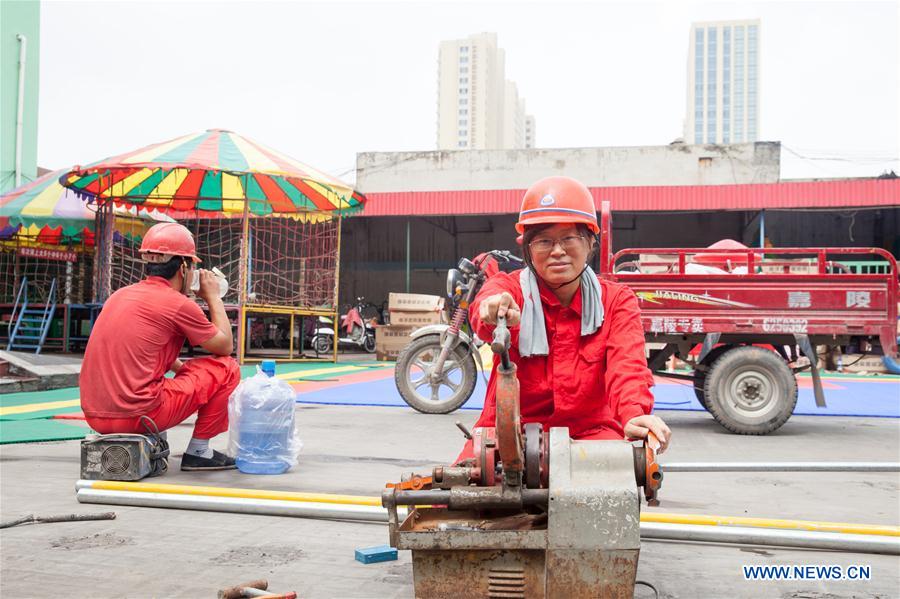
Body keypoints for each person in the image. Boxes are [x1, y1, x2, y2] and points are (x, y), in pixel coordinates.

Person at [457, 176, 671, 462]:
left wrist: (634, 414)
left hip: (590, 431)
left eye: (569, 238)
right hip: (509, 431)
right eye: (544, 241)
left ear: (590, 243)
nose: (557, 251)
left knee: (617, 489)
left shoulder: (617, 301)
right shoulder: (511, 290)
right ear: (528, 250)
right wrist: (491, 309)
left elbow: (627, 366)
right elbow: (486, 308)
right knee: (459, 493)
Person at [79, 222, 240, 471]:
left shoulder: (119, 295)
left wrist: (187, 373)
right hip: (140, 415)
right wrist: (213, 297)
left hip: (95, 416)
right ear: (184, 267)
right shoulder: (178, 303)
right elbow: (225, 346)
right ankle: (199, 451)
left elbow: (146, 353)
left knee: (189, 371)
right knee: (227, 368)